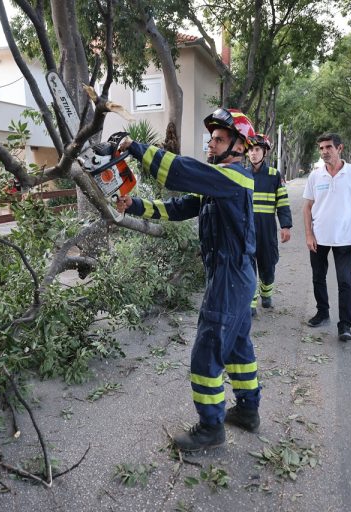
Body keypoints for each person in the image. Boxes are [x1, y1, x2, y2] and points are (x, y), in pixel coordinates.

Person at [115, 108, 261, 452]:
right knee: (238, 347)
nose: (211, 144)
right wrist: (133, 204)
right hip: (235, 277)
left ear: (239, 148)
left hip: (230, 278)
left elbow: (179, 172)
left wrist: (135, 148)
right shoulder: (218, 182)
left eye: (219, 139)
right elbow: (178, 207)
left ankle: (211, 427)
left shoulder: (236, 178)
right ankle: (248, 412)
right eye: (211, 138)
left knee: (207, 353)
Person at [302, 132, 351, 342]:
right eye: (322, 148)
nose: (324, 152)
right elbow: (307, 207)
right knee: (318, 278)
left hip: (345, 238)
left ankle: (345, 325)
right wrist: (308, 234)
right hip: (318, 238)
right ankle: (322, 312)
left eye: (328, 147)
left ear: (339, 148)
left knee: (345, 282)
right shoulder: (315, 175)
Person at [246, 133, 292, 316]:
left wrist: (286, 226)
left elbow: (282, 202)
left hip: (267, 230)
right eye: (250, 150)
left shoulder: (274, 175)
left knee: (268, 264)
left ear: (264, 152)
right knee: (247, 266)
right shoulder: (242, 174)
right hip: (247, 229)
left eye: (257, 149)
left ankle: (266, 294)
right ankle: (250, 303)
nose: (253, 153)